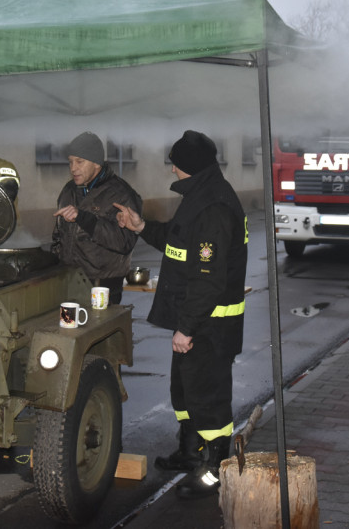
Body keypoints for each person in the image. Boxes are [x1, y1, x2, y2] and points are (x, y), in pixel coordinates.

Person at [114, 130, 247, 500]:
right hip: (199, 321)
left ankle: (217, 471)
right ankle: (190, 453)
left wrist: (186, 329)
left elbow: (209, 279)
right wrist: (141, 227)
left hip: (209, 325)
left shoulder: (214, 208)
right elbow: (177, 241)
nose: (172, 168)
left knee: (208, 398)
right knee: (185, 392)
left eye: (176, 162)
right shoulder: (200, 197)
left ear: (188, 166)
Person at [52, 132, 142, 305]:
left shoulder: (121, 194)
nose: (73, 168)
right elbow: (58, 234)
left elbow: (124, 242)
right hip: (68, 281)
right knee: (68, 330)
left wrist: (85, 219)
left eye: (79, 161)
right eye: (70, 162)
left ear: (96, 163)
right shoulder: (68, 190)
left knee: (98, 330)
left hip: (102, 286)